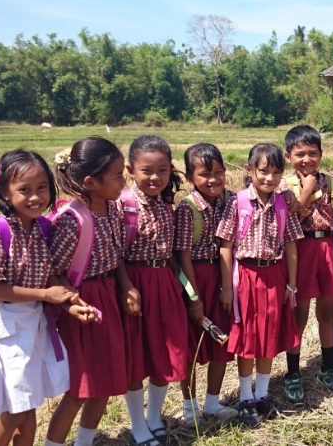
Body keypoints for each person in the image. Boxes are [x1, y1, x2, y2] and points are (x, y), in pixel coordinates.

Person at [0, 150, 90, 446]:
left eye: (42, 188)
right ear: (4, 192)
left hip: (32, 320)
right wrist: (45, 295)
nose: (35, 197)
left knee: (29, 399)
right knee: (16, 409)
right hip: (5, 323)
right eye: (24, 190)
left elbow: (48, 274)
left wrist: (68, 302)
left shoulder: (41, 227)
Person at [45, 138, 131, 446]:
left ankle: (84, 441)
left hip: (108, 298)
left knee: (105, 382)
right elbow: (53, 270)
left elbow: (117, 255)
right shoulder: (73, 221)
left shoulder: (113, 209)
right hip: (83, 305)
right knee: (79, 389)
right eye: (118, 176)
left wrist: (126, 287)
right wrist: (73, 303)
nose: (124, 181)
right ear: (91, 182)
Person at [216, 143, 303, 428]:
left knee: (269, 336)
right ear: (249, 170)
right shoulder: (237, 202)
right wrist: (228, 287)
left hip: (274, 276)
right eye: (263, 171)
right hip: (247, 278)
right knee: (249, 338)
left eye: (276, 172)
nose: (269, 178)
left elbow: (290, 245)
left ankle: (263, 394)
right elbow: (226, 247)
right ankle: (245, 397)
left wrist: (291, 284)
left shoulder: (283, 203)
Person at [119, 135, 187, 446]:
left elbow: (172, 253)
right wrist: (128, 288)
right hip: (134, 284)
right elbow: (114, 255)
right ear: (131, 169)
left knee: (166, 352)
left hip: (164, 283)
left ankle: (153, 416)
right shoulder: (122, 205)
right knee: (137, 356)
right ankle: (137, 425)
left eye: (162, 170)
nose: (155, 177)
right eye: (147, 170)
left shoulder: (166, 204)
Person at [279, 125, 333, 402]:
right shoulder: (284, 186)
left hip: (327, 248)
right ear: (288, 156)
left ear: (321, 154)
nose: (306, 160)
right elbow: (289, 221)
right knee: (299, 314)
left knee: (328, 313)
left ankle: (328, 368)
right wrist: (306, 190)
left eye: (312, 154)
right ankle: (293, 372)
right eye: (299, 155)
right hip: (300, 249)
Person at [174, 143, 238, 423]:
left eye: (219, 172)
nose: (213, 179)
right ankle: (189, 407)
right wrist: (194, 298)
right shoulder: (187, 209)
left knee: (221, 341)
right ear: (190, 178)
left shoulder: (232, 200)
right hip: (195, 279)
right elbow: (183, 257)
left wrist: (227, 287)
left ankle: (213, 403)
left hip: (224, 275)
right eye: (204, 174)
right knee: (191, 346)